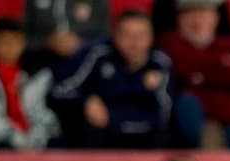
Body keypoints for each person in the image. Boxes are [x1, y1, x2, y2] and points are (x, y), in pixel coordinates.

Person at [49, 9, 175, 149]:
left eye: (141, 35)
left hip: (142, 133)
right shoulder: (97, 53)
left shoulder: (160, 62)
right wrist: (86, 101)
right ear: (114, 35)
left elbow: (164, 115)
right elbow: (59, 91)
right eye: (127, 35)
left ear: (152, 37)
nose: (134, 43)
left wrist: (116, 121)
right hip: (98, 132)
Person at [159, 0, 230, 149]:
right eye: (190, 14)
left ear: (216, 17)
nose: (197, 21)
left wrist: (199, 75)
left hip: (229, 121)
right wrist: (220, 68)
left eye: (203, 14)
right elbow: (180, 70)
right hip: (188, 126)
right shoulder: (170, 43)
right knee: (187, 102)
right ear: (179, 19)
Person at [0, 17, 60, 150]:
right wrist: (19, 141)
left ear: (23, 44)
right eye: (5, 42)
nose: (10, 47)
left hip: (36, 140)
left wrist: (33, 141)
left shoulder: (38, 74)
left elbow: (41, 112)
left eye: (15, 42)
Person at [22, 0, 109, 73]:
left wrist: (80, 43)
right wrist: (47, 42)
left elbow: (105, 38)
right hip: (42, 67)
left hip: (85, 70)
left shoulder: (98, 2)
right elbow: (23, 38)